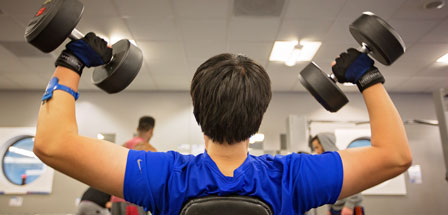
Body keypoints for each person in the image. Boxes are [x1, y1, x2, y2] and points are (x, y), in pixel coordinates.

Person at [34, 33, 412, 215]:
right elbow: (394, 156)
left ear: (198, 113)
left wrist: (71, 62)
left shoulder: (164, 175)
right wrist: (368, 79)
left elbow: (53, 143)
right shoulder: (293, 177)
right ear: (259, 115)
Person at [110, 116, 156, 215]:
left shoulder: (123, 146)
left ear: (137, 129)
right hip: (133, 200)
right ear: (151, 131)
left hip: (115, 199)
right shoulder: (148, 149)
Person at [310, 133, 365, 215]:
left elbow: (356, 184)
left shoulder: (343, 159)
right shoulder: (326, 163)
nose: (316, 151)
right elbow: (330, 188)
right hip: (335, 208)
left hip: (351, 207)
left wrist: (349, 206)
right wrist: (330, 209)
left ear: (325, 144)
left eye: (317, 147)